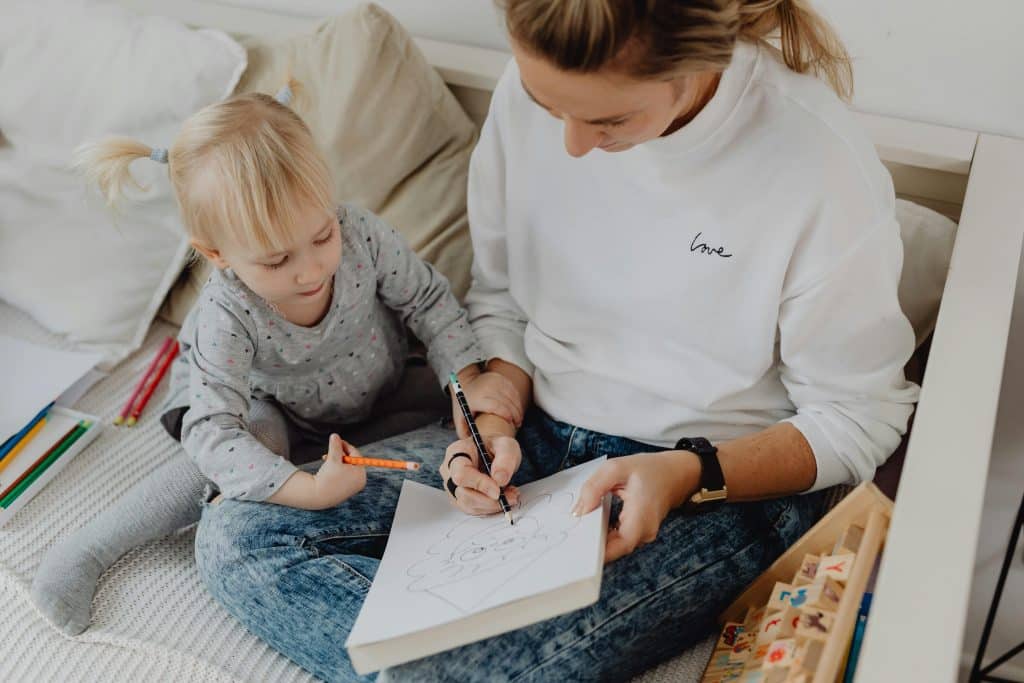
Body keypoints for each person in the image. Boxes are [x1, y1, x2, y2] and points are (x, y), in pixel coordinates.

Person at [194, 1, 920, 681]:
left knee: (443, 666)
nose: (571, 145)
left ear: (690, 66)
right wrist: (491, 413)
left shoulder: (815, 164)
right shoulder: (528, 93)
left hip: (712, 484)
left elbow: (859, 418)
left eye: (608, 120)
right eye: (550, 109)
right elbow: (503, 297)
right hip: (538, 440)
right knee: (239, 534)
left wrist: (685, 472)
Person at [31, 82, 521, 636]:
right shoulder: (227, 311)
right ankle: (90, 550)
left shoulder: (361, 235)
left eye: (321, 235)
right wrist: (306, 491)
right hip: (267, 407)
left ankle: (334, 461)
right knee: (241, 449)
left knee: (455, 408)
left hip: (371, 384)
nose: (311, 271)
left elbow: (428, 302)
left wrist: (468, 379)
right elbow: (214, 428)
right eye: (277, 259)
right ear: (218, 255)